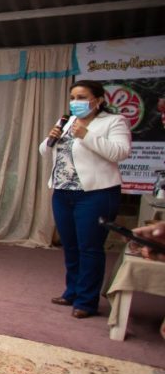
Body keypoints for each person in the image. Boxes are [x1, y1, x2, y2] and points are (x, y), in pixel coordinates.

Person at [40, 80, 132, 318]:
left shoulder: (114, 121)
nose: (75, 102)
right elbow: (45, 151)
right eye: (73, 97)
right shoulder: (68, 121)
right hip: (62, 192)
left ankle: (86, 301)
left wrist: (87, 135)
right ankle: (72, 291)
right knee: (70, 246)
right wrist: (50, 138)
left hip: (96, 194)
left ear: (98, 100)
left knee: (89, 248)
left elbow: (120, 152)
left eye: (81, 97)